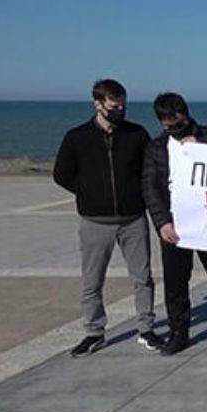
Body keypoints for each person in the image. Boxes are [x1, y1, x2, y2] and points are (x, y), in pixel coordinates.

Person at [53, 79, 161, 357]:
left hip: (133, 218)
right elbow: (61, 174)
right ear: (98, 104)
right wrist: (89, 193)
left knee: (143, 277)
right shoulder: (77, 137)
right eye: (114, 106)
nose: (120, 110)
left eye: (123, 105)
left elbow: (149, 169)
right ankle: (94, 332)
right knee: (92, 281)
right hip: (94, 221)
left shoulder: (136, 134)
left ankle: (146, 329)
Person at [142, 92, 207, 355]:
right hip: (175, 226)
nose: (175, 127)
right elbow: (150, 187)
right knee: (175, 284)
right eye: (169, 123)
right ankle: (179, 333)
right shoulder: (156, 147)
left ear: (186, 114)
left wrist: (200, 148)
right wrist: (162, 223)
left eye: (179, 121)